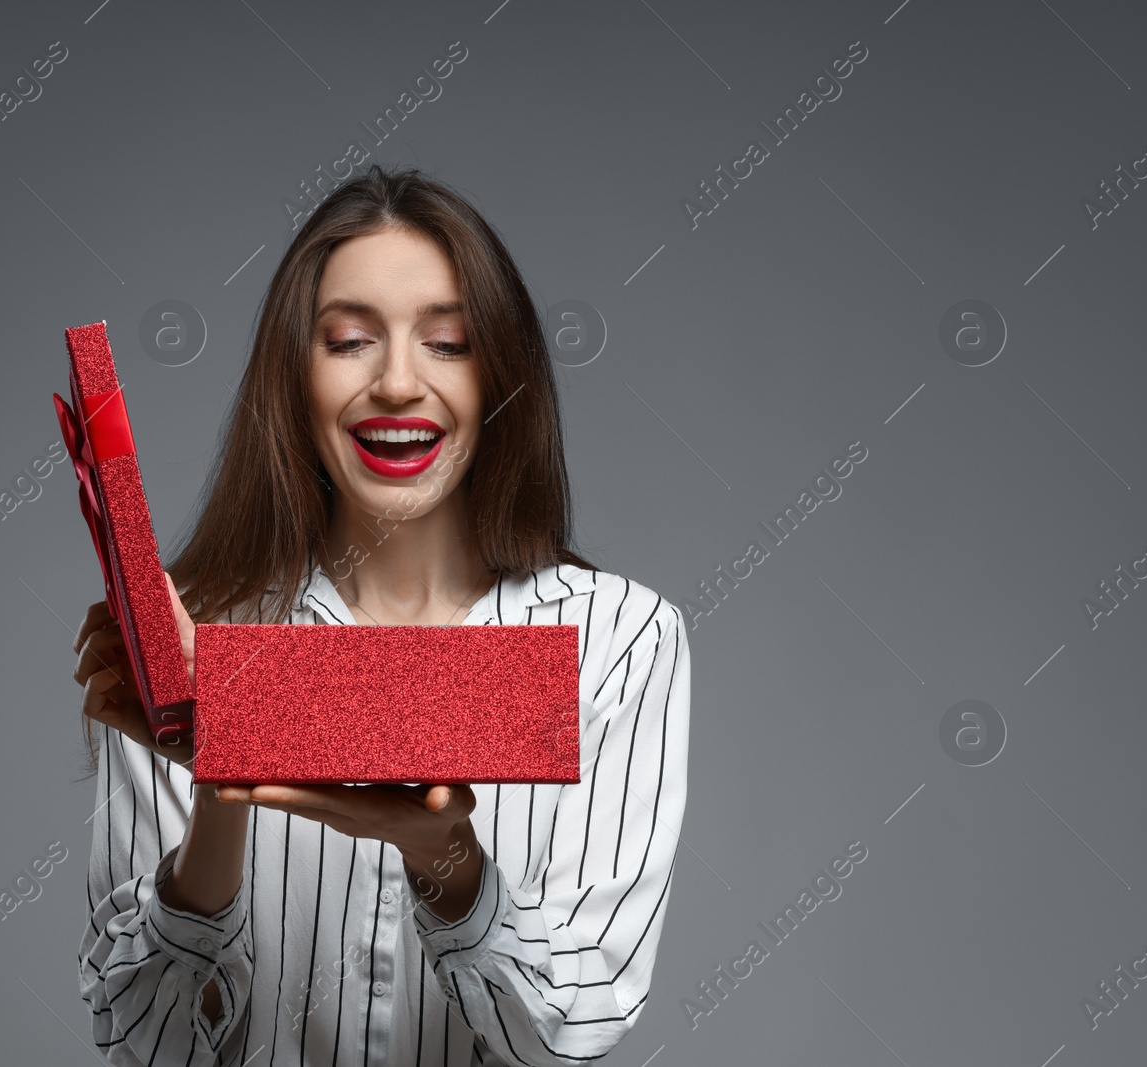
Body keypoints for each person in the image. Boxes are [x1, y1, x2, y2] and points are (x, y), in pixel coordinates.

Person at [71, 165, 691, 1065]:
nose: (398, 382)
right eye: (350, 340)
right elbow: (146, 1041)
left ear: (501, 377)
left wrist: (447, 865)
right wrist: (222, 785)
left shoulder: (622, 642)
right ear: (295, 376)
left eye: (448, 343)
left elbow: (571, 1029)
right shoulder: (191, 638)